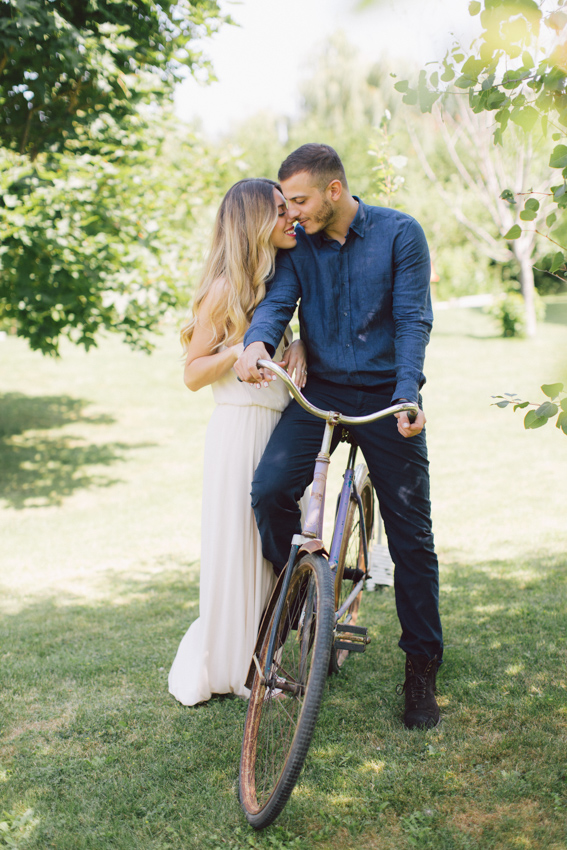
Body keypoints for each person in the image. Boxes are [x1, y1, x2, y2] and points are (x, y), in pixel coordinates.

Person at [234, 144, 443, 730]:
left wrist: (408, 394)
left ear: (333, 190)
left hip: (385, 396)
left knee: (411, 538)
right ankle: (303, 594)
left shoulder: (401, 234)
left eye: (298, 200)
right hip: (320, 392)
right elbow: (278, 302)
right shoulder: (300, 244)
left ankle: (422, 668)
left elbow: (412, 320)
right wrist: (257, 343)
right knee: (270, 490)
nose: (290, 212)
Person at [168, 178, 307, 707]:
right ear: (252, 222)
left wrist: (298, 349)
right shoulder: (226, 290)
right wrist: (240, 350)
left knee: (268, 552)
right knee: (239, 550)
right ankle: (233, 663)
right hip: (236, 433)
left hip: (274, 429)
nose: (289, 217)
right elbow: (192, 373)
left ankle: (263, 656)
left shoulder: (275, 284)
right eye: (278, 211)